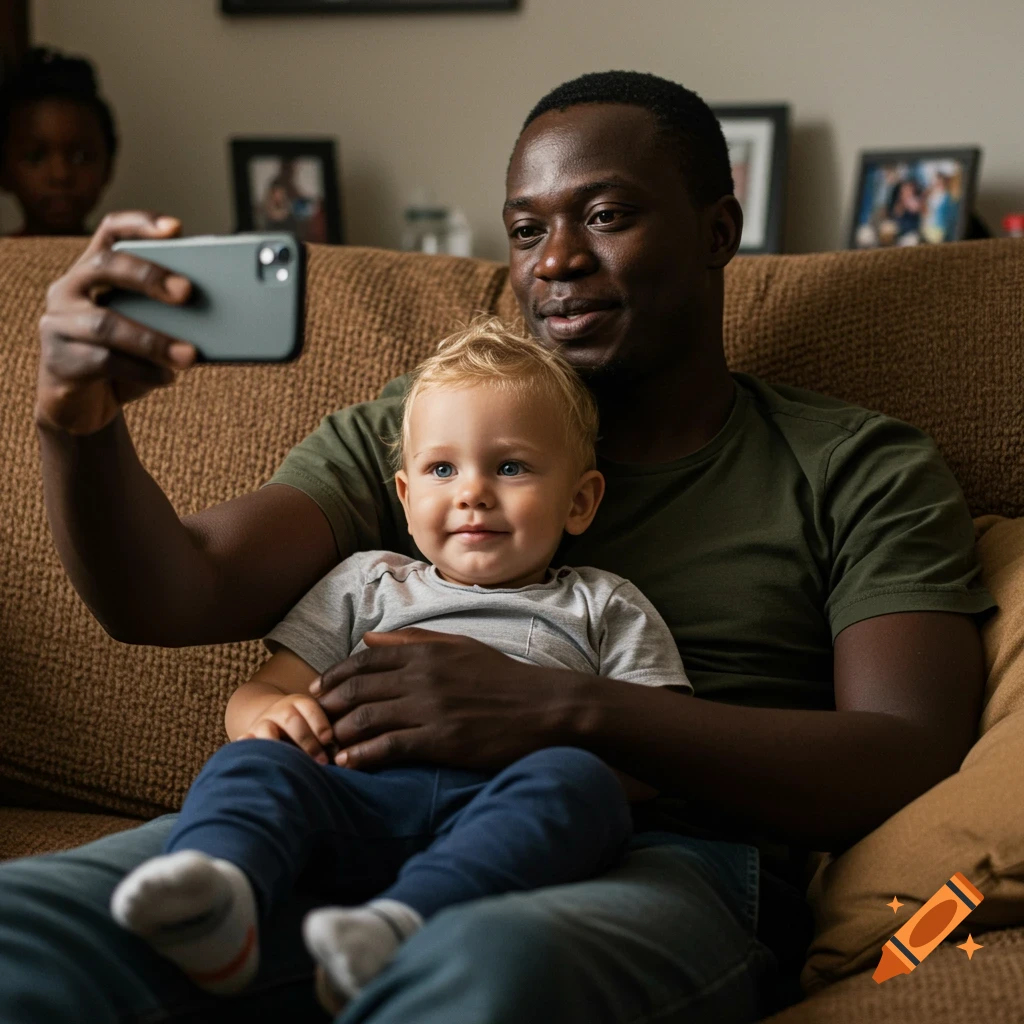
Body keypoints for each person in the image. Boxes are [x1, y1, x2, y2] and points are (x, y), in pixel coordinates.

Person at [6, 69, 991, 1024]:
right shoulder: (434, 430)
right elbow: (173, 594)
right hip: (344, 814)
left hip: (648, 854)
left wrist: (561, 708)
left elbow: (903, 751)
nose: (554, 259)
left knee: (475, 968)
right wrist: (74, 422)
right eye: (527, 229)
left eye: (606, 215)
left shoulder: (853, 463)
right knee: (22, 926)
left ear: (715, 233)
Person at [108, 319, 691, 1015]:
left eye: (510, 467)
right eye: (443, 469)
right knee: (248, 766)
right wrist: (269, 715)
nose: (472, 492)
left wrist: (565, 747)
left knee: (582, 785)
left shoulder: (603, 603)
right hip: (354, 797)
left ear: (580, 500)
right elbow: (265, 689)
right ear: (408, 500)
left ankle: (395, 925)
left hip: (502, 812)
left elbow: (662, 748)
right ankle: (219, 893)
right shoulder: (371, 583)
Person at [0, 46, 117, 236]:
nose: (61, 175)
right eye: (35, 157)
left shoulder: (127, 260)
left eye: (81, 157)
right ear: (3, 168)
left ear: (108, 165)